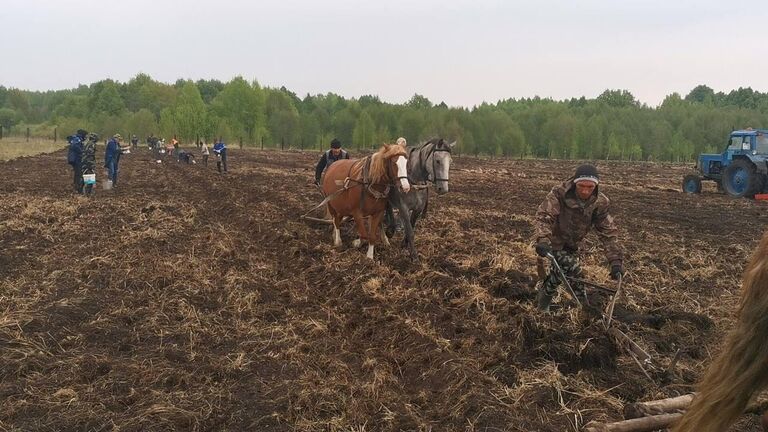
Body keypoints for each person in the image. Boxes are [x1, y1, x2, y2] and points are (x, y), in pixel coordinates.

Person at [533, 164, 624, 311]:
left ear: (596, 186)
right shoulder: (559, 193)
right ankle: (585, 309)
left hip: (572, 244)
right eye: (581, 186)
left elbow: (608, 232)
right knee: (574, 271)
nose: (585, 191)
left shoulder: (600, 202)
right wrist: (543, 239)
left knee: (558, 275)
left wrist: (615, 261)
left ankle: (542, 305)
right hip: (552, 242)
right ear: (575, 183)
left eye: (590, 187)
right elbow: (544, 216)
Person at [67, 129, 87, 193]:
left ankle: (76, 186)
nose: (86, 137)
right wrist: (82, 151)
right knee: (79, 173)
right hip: (76, 159)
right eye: (85, 135)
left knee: (77, 173)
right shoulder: (77, 139)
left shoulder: (77, 138)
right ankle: (79, 188)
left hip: (75, 159)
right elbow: (74, 146)